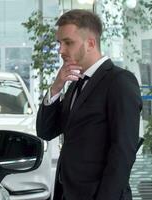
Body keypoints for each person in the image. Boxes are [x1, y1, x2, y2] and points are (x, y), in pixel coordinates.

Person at [36, 9, 142, 200]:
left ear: (91, 43)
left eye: (68, 42)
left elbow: (123, 151)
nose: (61, 50)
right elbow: (45, 131)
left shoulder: (119, 82)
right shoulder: (76, 82)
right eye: (59, 43)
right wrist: (56, 88)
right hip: (68, 193)